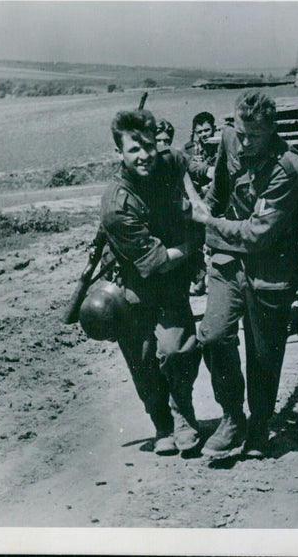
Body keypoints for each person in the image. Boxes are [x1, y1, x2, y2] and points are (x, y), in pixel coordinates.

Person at [187, 90, 298, 460]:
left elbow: (257, 234)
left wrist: (210, 225)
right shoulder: (230, 139)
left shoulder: (286, 168)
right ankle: (233, 415)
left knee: (264, 354)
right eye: (241, 131)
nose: (244, 141)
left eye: (253, 135)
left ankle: (260, 424)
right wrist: (208, 224)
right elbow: (220, 190)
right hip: (227, 262)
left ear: (270, 131)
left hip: (268, 267)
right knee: (213, 335)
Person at [99, 109, 201, 455]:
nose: (144, 157)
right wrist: (191, 247)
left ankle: (183, 416)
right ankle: (162, 425)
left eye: (148, 147)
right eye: (133, 150)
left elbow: (183, 162)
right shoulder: (116, 203)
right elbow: (155, 261)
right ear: (120, 154)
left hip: (171, 283)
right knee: (142, 360)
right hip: (132, 285)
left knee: (177, 350)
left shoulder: (167, 160)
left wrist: (195, 197)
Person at [183, 111, 218, 296]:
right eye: (200, 132)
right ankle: (199, 278)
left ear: (214, 129)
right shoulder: (189, 149)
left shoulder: (220, 146)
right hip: (197, 197)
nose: (205, 134)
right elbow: (190, 167)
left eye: (207, 130)